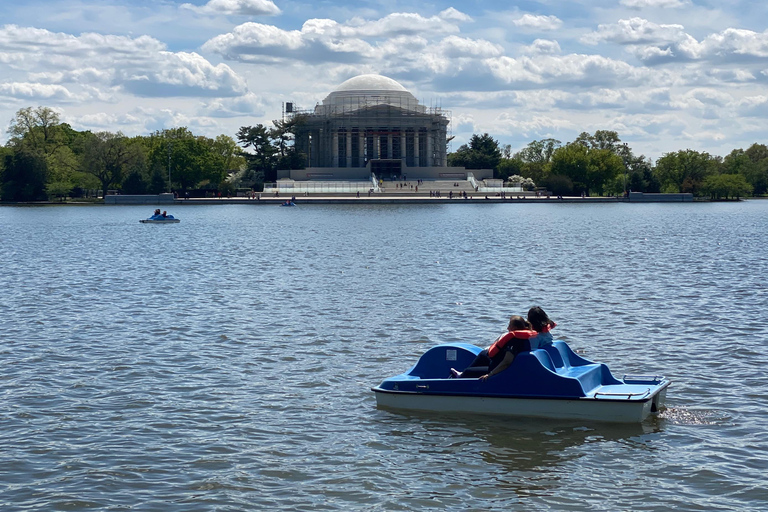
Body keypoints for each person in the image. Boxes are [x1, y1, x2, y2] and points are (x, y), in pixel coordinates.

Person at [451, 316, 537, 380]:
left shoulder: (514, 341)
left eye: (509, 325)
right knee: (483, 354)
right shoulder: (523, 337)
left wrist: (490, 374)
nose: (507, 328)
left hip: (499, 370)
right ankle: (461, 374)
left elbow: (507, 362)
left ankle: (462, 377)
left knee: (468, 372)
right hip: (496, 362)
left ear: (515, 328)